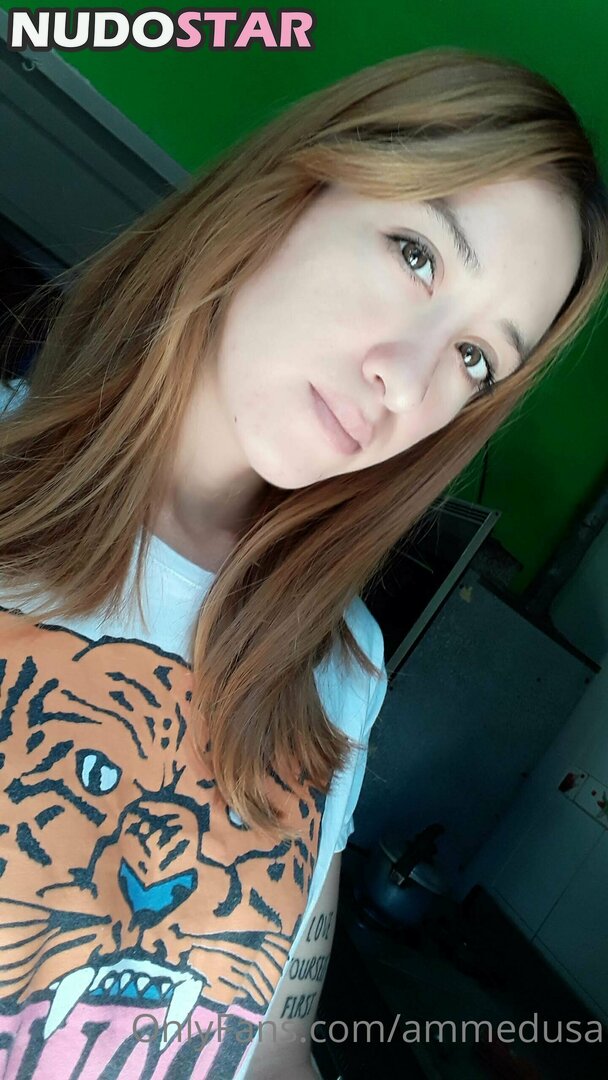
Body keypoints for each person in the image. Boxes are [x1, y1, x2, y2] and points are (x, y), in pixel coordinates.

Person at [0, 44, 606, 1080]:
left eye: (474, 358)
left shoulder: (343, 668)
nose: (406, 379)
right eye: (415, 252)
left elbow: (273, 1043)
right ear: (292, 192)